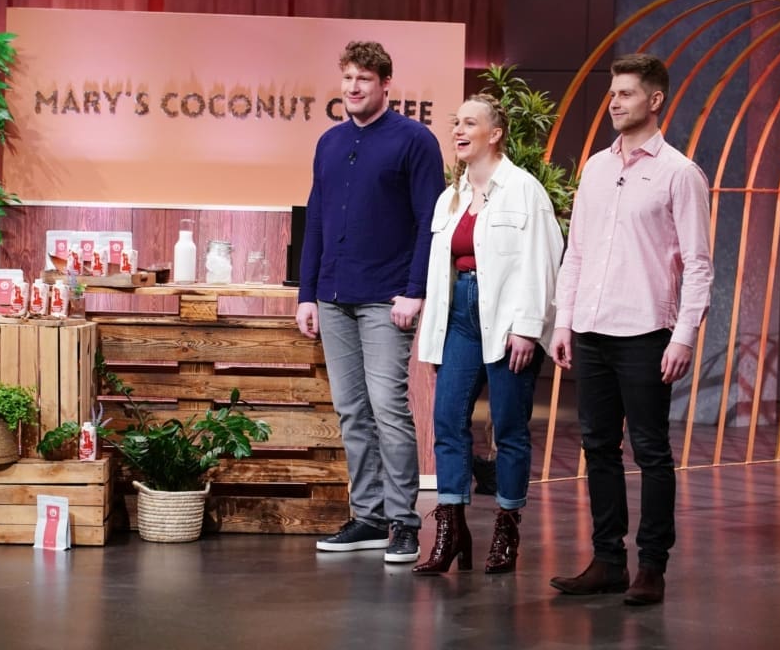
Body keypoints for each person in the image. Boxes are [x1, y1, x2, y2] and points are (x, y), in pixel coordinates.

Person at [548, 53, 713, 605]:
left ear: (655, 100)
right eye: (612, 93)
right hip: (592, 329)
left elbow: (699, 263)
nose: (614, 102)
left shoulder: (679, 174)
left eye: (625, 93)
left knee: (650, 451)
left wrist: (685, 335)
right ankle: (608, 559)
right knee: (597, 446)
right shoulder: (595, 167)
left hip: (646, 332)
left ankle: (652, 566)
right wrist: (563, 321)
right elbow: (576, 253)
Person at [296, 40, 445, 564]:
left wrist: (415, 290)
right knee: (351, 411)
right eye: (348, 78)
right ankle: (368, 516)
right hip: (333, 296)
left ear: (385, 84)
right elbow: (315, 219)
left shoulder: (415, 141)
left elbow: (432, 221)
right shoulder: (329, 143)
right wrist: (307, 293)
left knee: (387, 409)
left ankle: (404, 521)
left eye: (365, 78)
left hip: (387, 298)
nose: (354, 87)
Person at [414, 93, 563, 575]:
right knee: (448, 421)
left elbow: (543, 263)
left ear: (495, 134)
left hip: (506, 320)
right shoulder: (450, 196)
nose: (458, 130)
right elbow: (441, 273)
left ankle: (506, 527)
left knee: (510, 428)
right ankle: (452, 529)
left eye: (470, 123)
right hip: (460, 316)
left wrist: (527, 327)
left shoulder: (524, 190)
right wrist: (433, 336)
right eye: (455, 122)